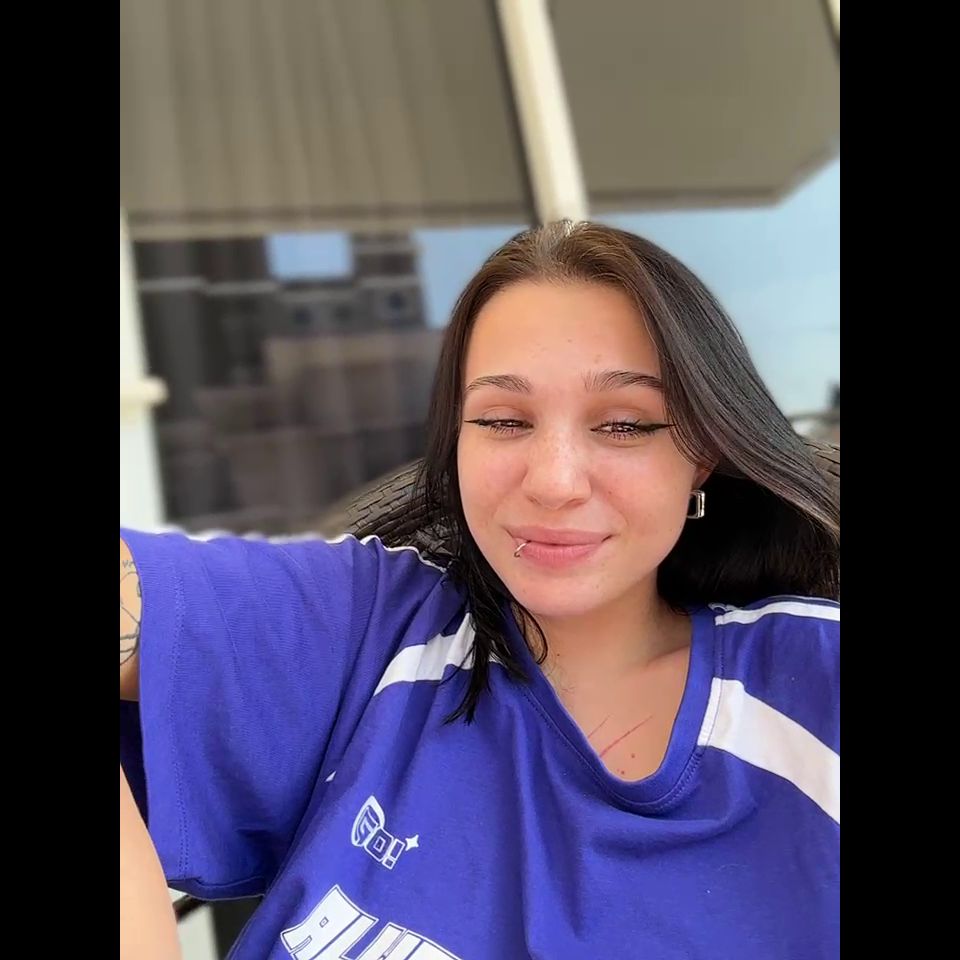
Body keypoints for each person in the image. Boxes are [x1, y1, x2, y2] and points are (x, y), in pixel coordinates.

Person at [120, 221, 839, 959]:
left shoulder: (816, 684)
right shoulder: (370, 626)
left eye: (624, 425)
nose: (554, 482)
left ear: (703, 455)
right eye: (502, 420)